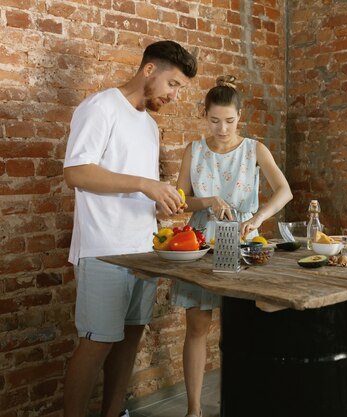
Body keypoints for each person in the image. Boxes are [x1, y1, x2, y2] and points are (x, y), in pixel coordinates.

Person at [62, 40, 197, 417]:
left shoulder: (150, 127)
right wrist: (144, 184)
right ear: (149, 70)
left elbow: (134, 185)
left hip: (144, 251)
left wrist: (158, 198)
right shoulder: (100, 107)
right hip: (103, 249)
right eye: (173, 84)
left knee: (128, 342)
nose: (175, 95)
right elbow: (76, 173)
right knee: (96, 344)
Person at [172, 75, 293, 417]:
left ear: (240, 116)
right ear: (204, 115)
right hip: (199, 245)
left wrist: (258, 217)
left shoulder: (255, 149)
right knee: (197, 327)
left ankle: (247, 405)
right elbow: (181, 202)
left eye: (229, 121)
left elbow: (284, 190)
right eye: (214, 121)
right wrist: (207, 200)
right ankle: (193, 410)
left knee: (245, 327)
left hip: (243, 242)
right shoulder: (193, 151)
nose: (222, 129)